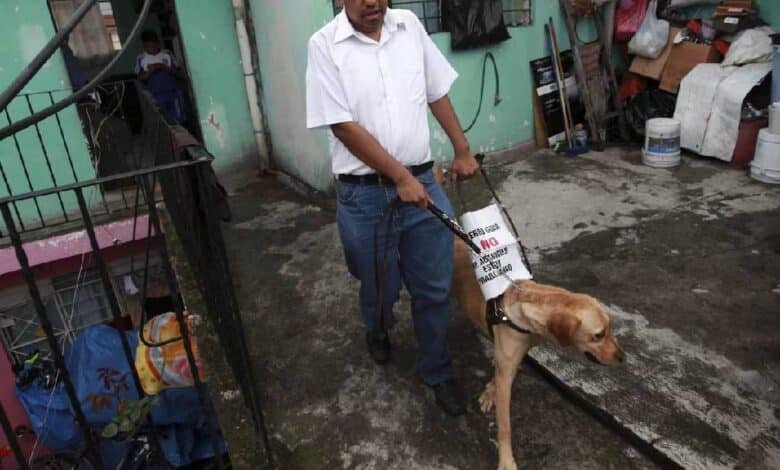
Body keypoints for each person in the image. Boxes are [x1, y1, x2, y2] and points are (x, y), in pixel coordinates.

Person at [306, 0, 479, 416]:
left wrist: (462, 149)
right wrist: (399, 178)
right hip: (364, 195)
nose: (373, 3)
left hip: (421, 182)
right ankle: (378, 327)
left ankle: (436, 371)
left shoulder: (409, 26)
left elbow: (436, 91)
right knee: (380, 286)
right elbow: (342, 125)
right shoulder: (324, 45)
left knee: (434, 287)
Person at [135, 30, 184, 124]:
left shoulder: (167, 54)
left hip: (172, 94)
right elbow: (139, 78)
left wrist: (163, 67)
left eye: (153, 46)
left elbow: (178, 73)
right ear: (144, 46)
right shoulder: (141, 58)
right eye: (147, 47)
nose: (151, 49)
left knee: (178, 122)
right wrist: (149, 72)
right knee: (163, 122)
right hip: (156, 96)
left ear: (158, 44)